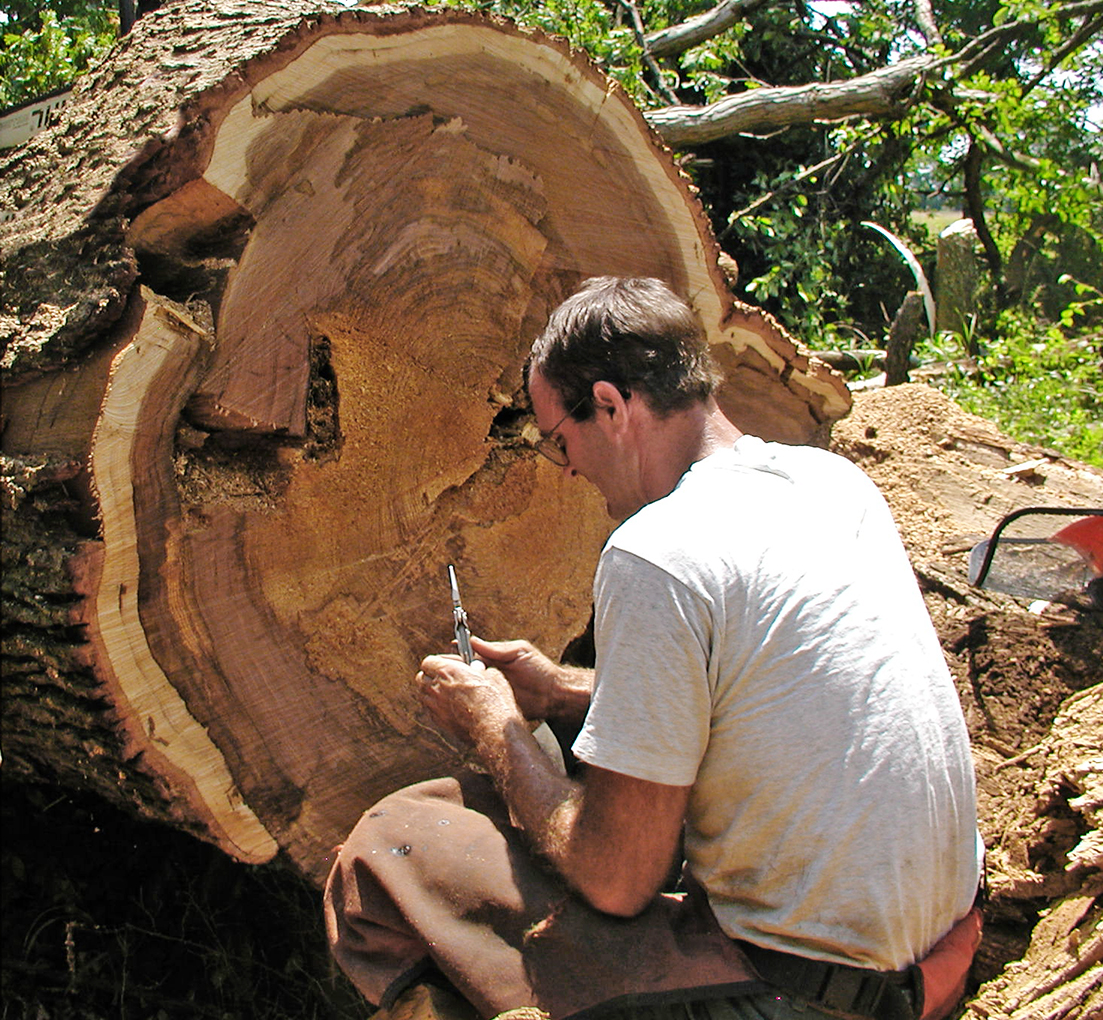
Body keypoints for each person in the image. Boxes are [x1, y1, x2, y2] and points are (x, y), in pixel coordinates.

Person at [324, 276, 983, 1020]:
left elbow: (618, 878)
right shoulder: (833, 484)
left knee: (396, 846)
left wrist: (497, 727)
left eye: (560, 439)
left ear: (610, 404)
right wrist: (559, 691)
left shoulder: (656, 552)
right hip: (930, 969)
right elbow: (759, 692)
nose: (566, 468)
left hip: (790, 999)